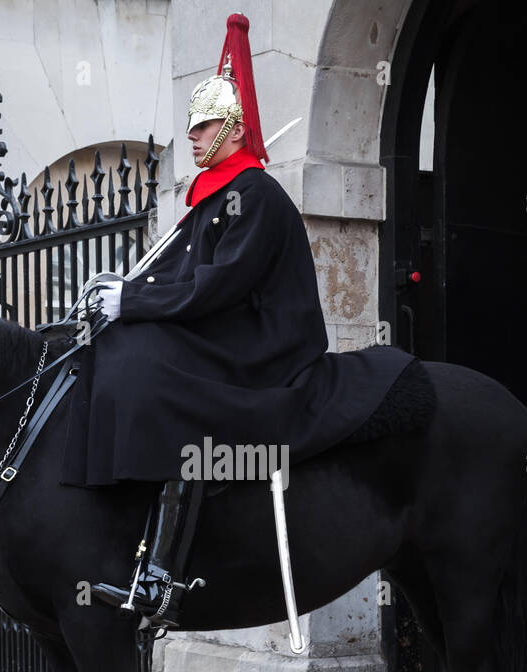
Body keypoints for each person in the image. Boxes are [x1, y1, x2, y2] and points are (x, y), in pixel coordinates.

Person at [60, 12, 413, 629]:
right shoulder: (212, 195)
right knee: (125, 354)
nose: (192, 136)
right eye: (192, 125)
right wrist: (126, 292)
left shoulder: (254, 195)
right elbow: (180, 279)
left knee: (153, 376)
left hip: (264, 351)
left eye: (203, 126)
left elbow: (220, 286)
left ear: (231, 129)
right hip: (226, 335)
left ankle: (164, 566)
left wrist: (134, 304)